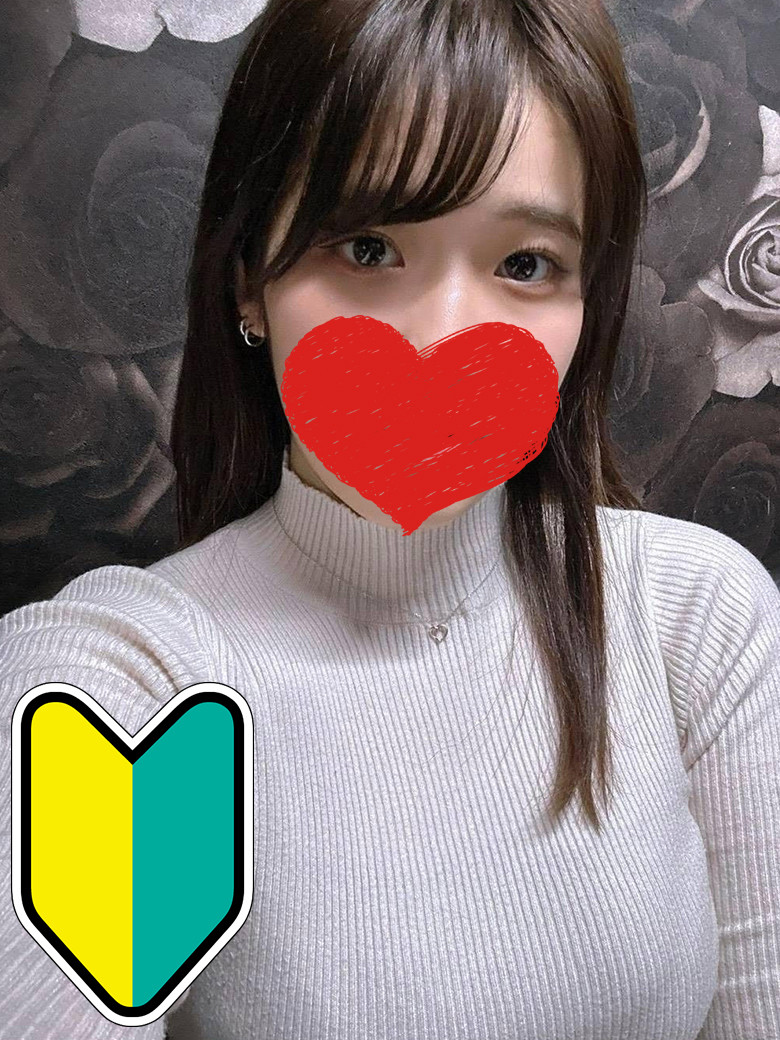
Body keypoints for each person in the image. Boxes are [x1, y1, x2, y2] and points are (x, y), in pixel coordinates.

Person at [1, 0, 779, 1037]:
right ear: (250, 278)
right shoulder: (140, 695)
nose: (443, 334)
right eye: (368, 247)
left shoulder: (694, 617)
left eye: (525, 263)